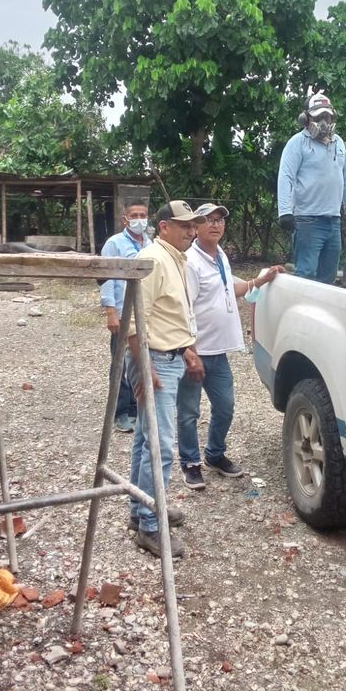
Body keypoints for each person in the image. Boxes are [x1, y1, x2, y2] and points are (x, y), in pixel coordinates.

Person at [176, 204, 284, 491]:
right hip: (196, 352)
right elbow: (184, 307)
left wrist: (260, 281)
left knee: (225, 406)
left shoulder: (220, 255)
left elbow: (227, 289)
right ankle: (190, 463)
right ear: (195, 227)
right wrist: (189, 350)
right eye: (208, 220)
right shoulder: (190, 262)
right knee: (189, 412)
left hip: (218, 352)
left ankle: (214, 455)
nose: (215, 225)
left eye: (220, 220)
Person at [126, 200, 207, 559]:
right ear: (164, 227)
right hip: (155, 359)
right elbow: (133, 321)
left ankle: (141, 508)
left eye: (193, 226)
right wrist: (146, 367)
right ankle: (150, 526)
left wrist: (186, 348)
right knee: (160, 445)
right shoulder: (155, 260)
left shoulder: (175, 259)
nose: (192, 231)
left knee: (147, 440)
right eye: (184, 225)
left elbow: (169, 315)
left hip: (169, 356)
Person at [277, 90, 346, 284]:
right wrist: (285, 211)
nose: (323, 122)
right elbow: (286, 177)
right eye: (318, 117)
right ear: (306, 119)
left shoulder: (338, 143)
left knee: (328, 277)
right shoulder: (297, 143)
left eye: (327, 117)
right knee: (306, 274)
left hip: (333, 221)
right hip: (308, 220)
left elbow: (345, 179)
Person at [99, 201, 152, 432]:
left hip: (144, 312)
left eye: (143, 215)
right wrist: (110, 311)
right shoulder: (115, 243)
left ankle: (134, 408)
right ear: (125, 220)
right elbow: (106, 277)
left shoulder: (150, 243)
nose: (139, 219)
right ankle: (119, 411)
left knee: (140, 359)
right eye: (135, 215)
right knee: (120, 362)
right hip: (122, 312)